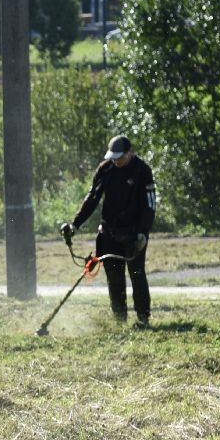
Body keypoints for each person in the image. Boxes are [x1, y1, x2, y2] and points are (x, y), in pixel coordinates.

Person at [61, 134, 158, 327]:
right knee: (114, 277)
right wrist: (75, 224)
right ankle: (119, 319)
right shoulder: (105, 169)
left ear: (130, 153)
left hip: (134, 233)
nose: (116, 161)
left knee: (137, 273)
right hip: (109, 233)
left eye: (119, 157)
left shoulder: (142, 170)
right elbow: (92, 198)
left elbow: (149, 205)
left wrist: (143, 233)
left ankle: (143, 318)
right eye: (113, 157)